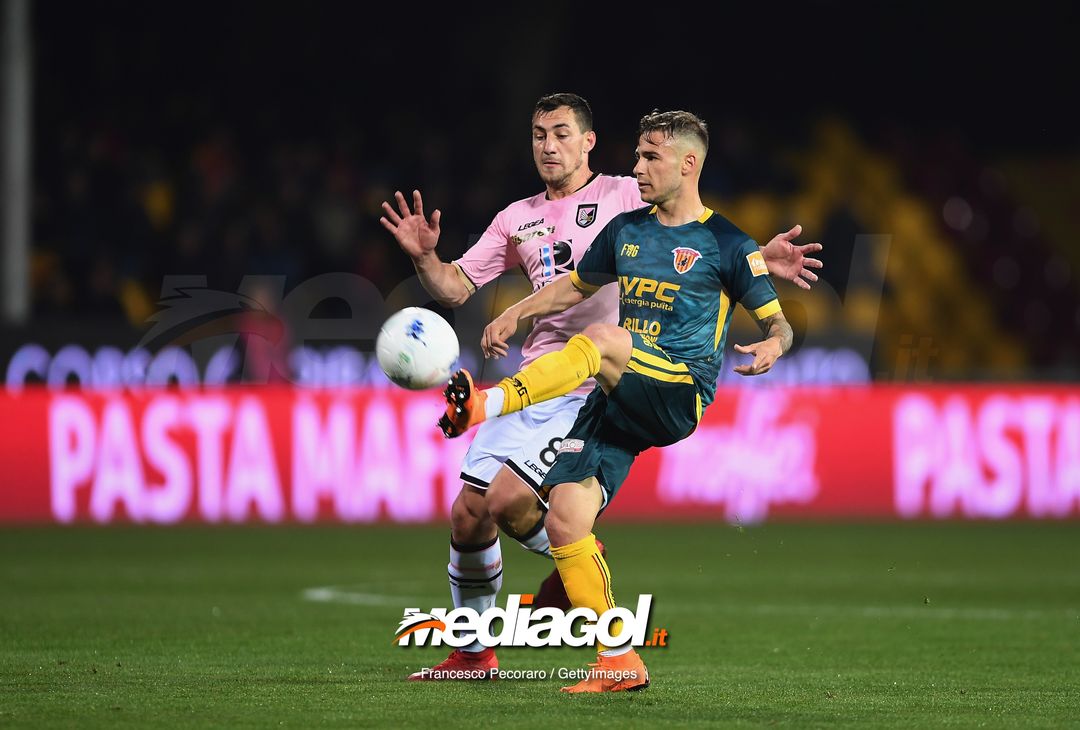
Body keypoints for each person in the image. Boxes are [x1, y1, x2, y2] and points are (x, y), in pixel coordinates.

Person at [381, 95, 819, 683]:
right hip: (561, 380)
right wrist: (438, 266)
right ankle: (543, 651)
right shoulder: (527, 219)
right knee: (490, 514)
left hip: (613, 376)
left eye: (561, 133)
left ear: (588, 141)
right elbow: (474, 287)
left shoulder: (622, 193)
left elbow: (702, 238)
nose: (547, 144)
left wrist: (756, 268)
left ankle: (482, 405)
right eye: (538, 134)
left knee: (599, 355)